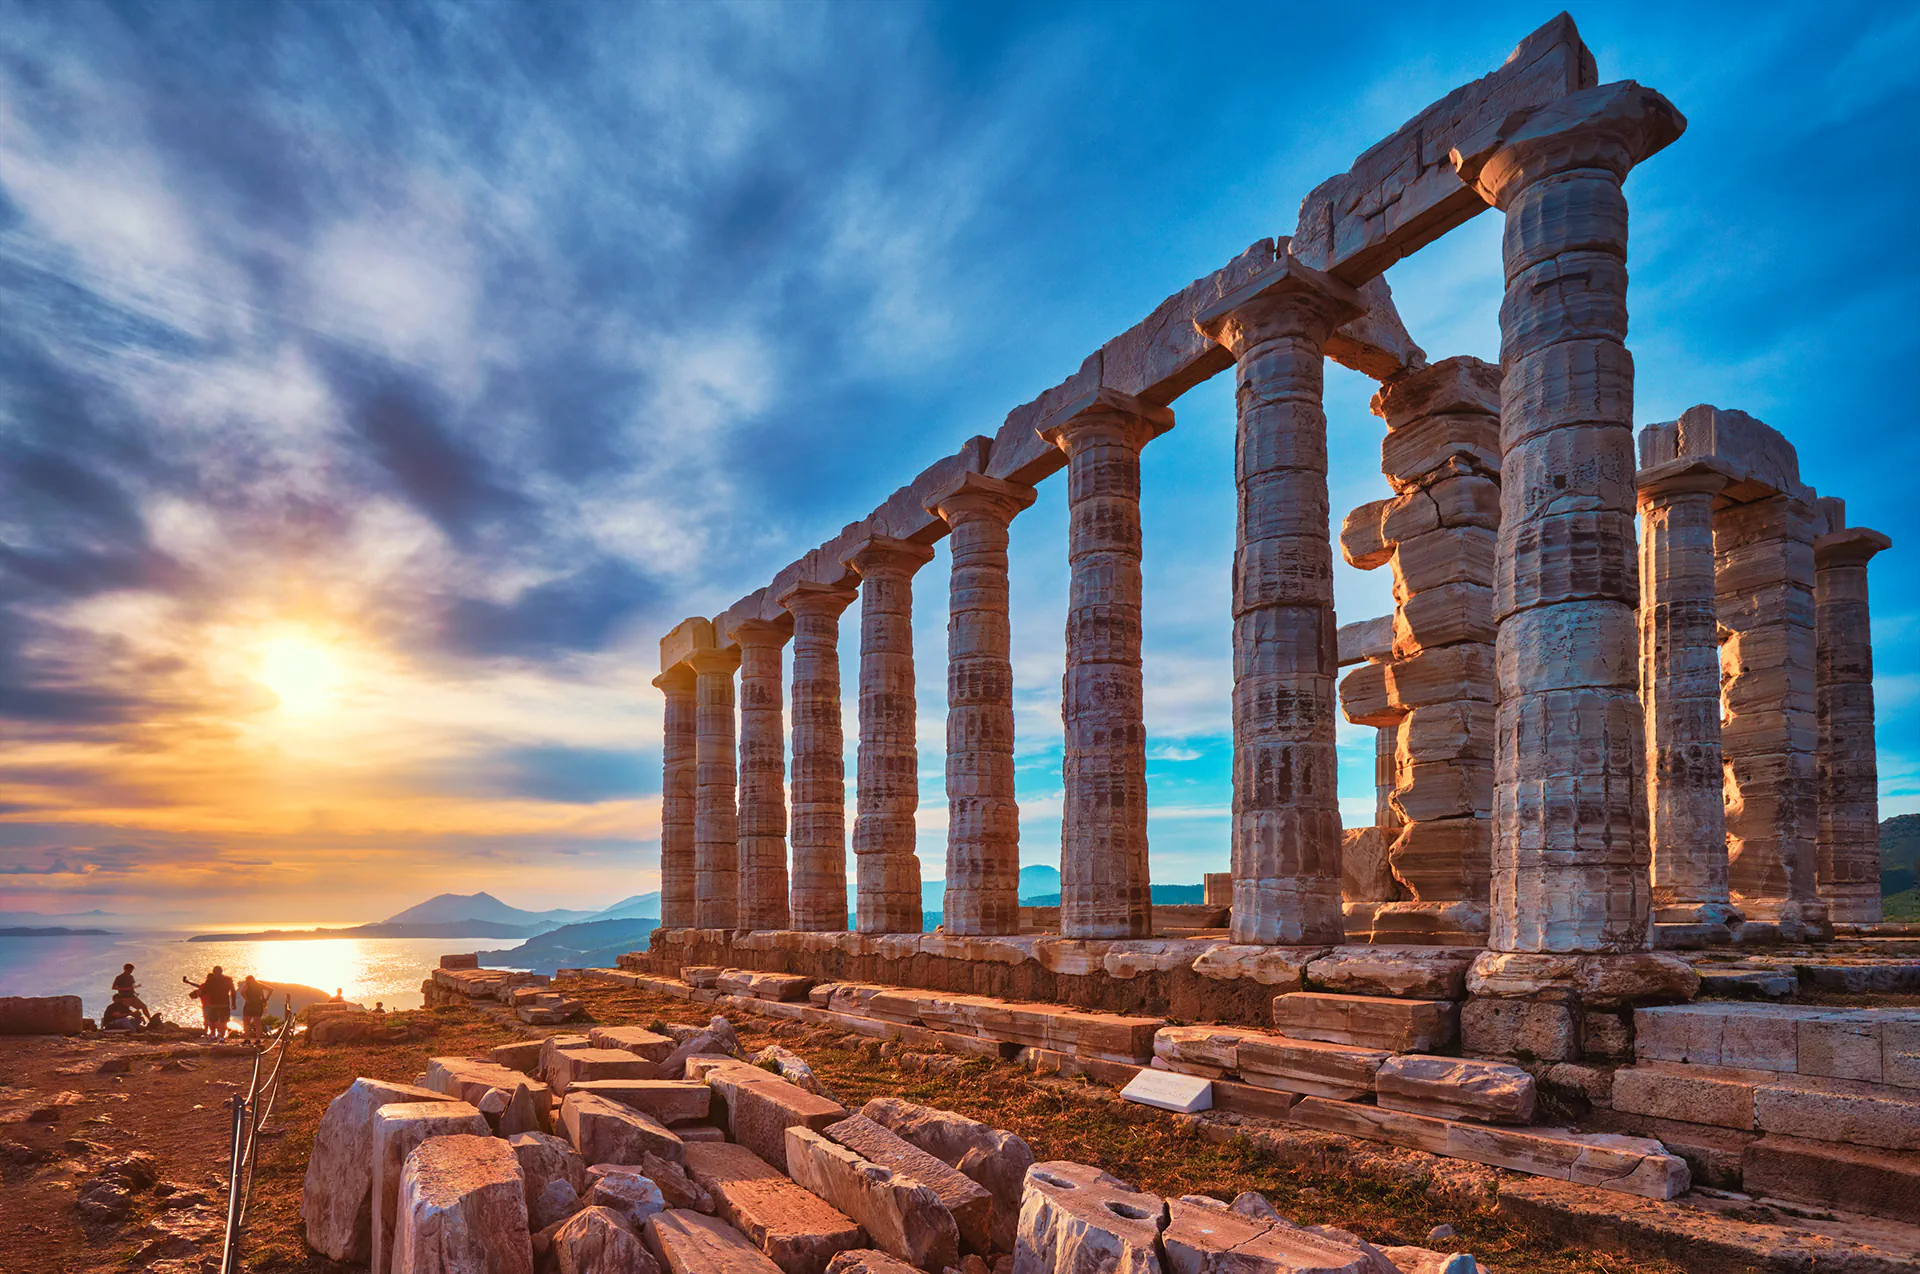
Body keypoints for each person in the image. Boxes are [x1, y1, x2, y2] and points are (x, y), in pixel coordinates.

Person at [187, 965, 236, 1041]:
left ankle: (213, 1035)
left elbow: (205, 990)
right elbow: (233, 991)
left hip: (213, 1004)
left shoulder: (210, 980)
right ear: (222, 971)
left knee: (212, 1020)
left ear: (213, 972)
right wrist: (233, 1003)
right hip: (224, 1003)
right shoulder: (228, 979)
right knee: (223, 1021)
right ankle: (222, 1037)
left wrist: (198, 994)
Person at [238, 975, 273, 1040]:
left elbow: (242, 992)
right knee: (257, 1023)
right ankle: (258, 1039)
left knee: (246, 1022)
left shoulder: (247, 985)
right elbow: (271, 989)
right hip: (258, 1004)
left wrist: (246, 998)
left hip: (249, 1004)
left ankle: (247, 1039)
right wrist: (266, 999)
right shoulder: (259, 985)